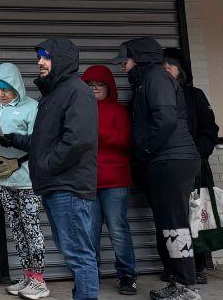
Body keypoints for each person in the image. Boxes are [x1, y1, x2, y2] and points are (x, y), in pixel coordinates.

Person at [0, 39, 98, 300]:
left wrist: (48, 165)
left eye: (46, 57)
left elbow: (79, 139)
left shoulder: (77, 91)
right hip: (56, 185)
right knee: (73, 253)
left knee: (79, 255)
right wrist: (14, 139)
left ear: (62, 59)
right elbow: (43, 141)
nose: (40, 62)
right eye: (39, 57)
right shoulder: (52, 95)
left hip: (69, 185)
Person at [114, 38, 201, 300]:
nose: (122, 65)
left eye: (125, 59)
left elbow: (165, 120)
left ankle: (187, 286)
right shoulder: (147, 80)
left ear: (139, 57)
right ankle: (177, 282)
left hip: (171, 160)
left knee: (175, 225)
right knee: (168, 224)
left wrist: (145, 150)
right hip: (164, 160)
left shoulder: (156, 78)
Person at [0, 63, 47, 299]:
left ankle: (40, 281)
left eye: (5, 89)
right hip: (3, 178)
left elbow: (39, 142)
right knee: (17, 229)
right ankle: (27, 276)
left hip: (27, 179)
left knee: (32, 228)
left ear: (16, 87)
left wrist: (15, 140)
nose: (1, 94)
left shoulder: (32, 108)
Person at [162, 48, 220, 285]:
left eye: (170, 67)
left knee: (196, 218)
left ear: (181, 71)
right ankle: (173, 266)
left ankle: (196, 266)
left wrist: (198, 154)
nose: (165, 71)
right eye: (161, 67)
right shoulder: (150, 95)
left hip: (193, 166)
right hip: (164, 168)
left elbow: (210, 129)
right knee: (169, 220)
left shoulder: (194, 95)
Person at [82, 64, 138, 295]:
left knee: (118, 229)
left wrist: (99, 132)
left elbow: (126, 142)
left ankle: (127, 275)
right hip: (87, 181)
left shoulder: (118, 111)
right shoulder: (80, 110)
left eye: (100, 84)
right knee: (90, 231)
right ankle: (90, 274)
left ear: (109, 87)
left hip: (115, 181)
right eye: (90, 85)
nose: (95, 88)